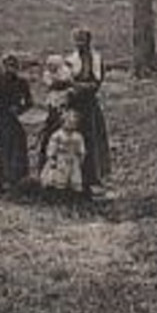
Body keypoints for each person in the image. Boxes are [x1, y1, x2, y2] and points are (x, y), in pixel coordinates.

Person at [63, 27, 111, 195]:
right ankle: (71, 178)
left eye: (83, 40)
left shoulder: (96, 59)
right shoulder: (70, 59)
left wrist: (81, 87)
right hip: (74, 103)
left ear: (89, 41)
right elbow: (65, 80)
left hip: (89, 104)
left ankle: (93, 178)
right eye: (77, 41)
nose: (80, 44)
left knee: (92, 139)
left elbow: (96, 82)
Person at [0, 53, 33, 192]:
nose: (11, 69)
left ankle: (17, 178)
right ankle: (2, 179)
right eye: (8, 65)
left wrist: (19, 109)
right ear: (3, 66)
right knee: (3, 147)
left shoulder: (22, 83)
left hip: (15, 119)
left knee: (18, 145)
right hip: (2, 118)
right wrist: (0, 108)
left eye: (14, 66)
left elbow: (29, 102)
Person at [39, 108, 87, 201]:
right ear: (62, 122)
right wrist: (52, 157)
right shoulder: (58, 135)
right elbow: (52, 146)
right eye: (68, 123)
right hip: (61, 159)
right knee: (59, 177)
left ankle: (72, 195)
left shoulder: (77, 136)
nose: (70, 126)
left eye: (73, 124)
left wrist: (81, 156)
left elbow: (81, 148)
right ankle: (58, 195)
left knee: (73, 177)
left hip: (72, 160)